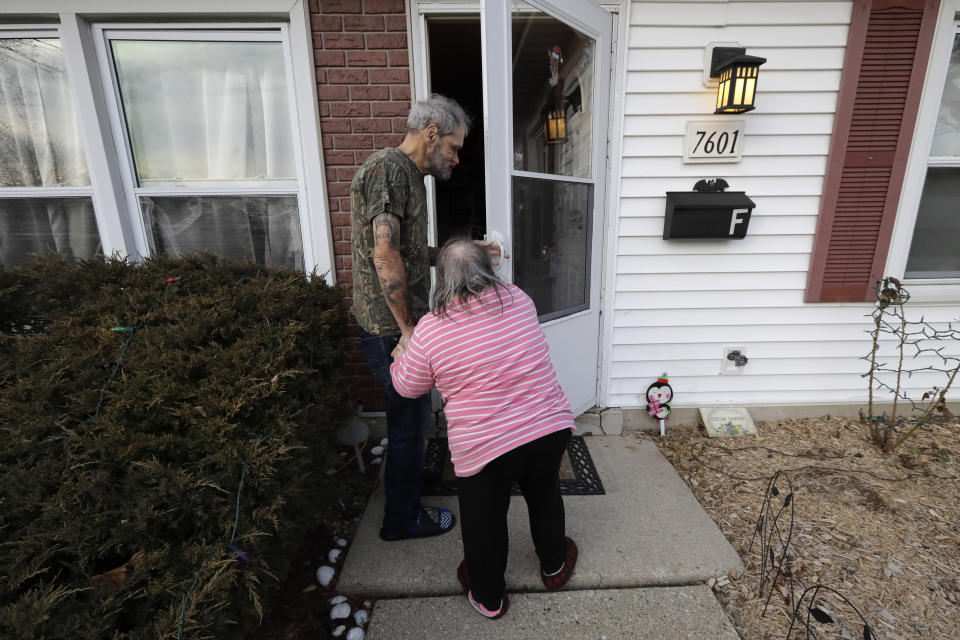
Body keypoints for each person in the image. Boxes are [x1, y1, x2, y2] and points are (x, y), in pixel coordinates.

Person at [390, 239, 578, 619]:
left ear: (440, 279)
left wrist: (400, 355)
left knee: (484, 520)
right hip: (548, 428)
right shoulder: (519, 298)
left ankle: (489, 596)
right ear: (488, 270)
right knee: (544, 496)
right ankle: (554, 566)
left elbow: (408, 387)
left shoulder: (430, 329)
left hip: (486, 446)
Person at [350, 95, 496, 542]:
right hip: (389, 330)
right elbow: (384, 253)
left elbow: (411, 253)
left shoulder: (410, 177)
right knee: (409, 425)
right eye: (453, 147)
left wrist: (470, 254)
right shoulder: (390, 168)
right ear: (431, 133)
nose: (454, 157)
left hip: (400, 324)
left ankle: (411, 488)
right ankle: (402, 520)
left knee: (414, 419)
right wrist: (408, 330)